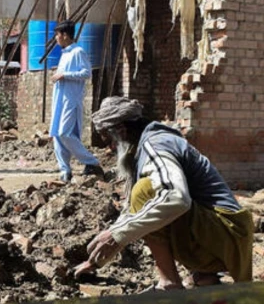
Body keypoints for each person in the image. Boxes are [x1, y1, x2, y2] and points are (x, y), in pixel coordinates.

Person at [74, 96, 254, 291]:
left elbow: (177, 198)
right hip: (228, 235)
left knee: (144, 192)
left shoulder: (156, 144)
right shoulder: (147, 147)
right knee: (143, 204)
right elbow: (132, 215)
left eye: (108, 140)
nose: (109, 148)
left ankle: (169, 281)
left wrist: (115, 235)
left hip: (227, 233)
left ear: (121, 130)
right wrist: (99, 258)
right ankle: (204, 276)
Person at [49, 20, 104, 182]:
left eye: (58, 35)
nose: (56, 39)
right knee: (57, 135)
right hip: (59, 99)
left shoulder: (78, 52)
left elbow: (86, 73)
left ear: (65, 35)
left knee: (64, 133)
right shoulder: (65, 54)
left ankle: (92, 162)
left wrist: (65, 75)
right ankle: (65, 170)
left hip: (71, 100)